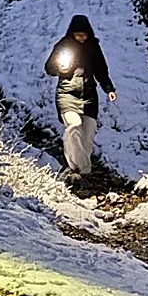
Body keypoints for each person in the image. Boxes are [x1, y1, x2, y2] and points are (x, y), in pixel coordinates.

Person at [44, 14, 117, 182]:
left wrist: (109, 89)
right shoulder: (63, 46)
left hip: (89, 96)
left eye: (84, 35)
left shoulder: (93, 47)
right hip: (67, 94)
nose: (81, 38)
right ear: (72, 33)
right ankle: (81, 169)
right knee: (74, 126)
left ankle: (79, 168)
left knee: (87, 136)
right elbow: (49, 68)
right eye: (78, 35)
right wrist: (60, 68)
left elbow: (101, 71)